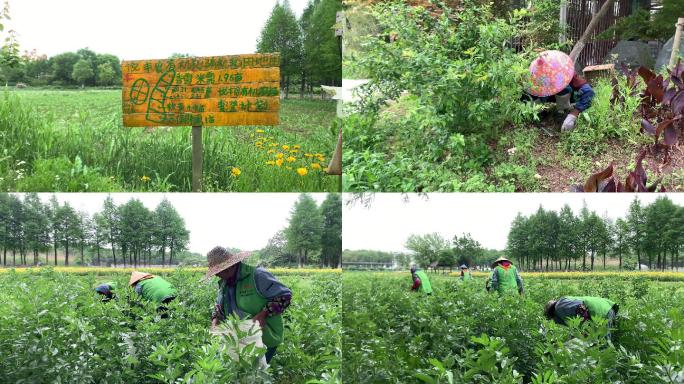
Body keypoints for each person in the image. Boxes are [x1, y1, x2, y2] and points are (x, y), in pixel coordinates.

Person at [206, 246, 292, 364]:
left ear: (228, 267)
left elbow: (285, 296)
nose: (215, 275)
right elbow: (219, 305)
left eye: (217, 272)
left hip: (264, 337)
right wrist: (215, 320)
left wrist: (263, 314)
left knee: (256, 375)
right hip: (239, 337)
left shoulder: (257, 275)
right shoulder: (224, 283)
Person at [525, 50, 595, 132]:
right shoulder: (534, 76)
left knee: (565, 89)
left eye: (552, 78)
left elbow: (589, 92)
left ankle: (562, 111)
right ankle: (538, 114)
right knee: (530, 94)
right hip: (544, 98)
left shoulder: (565, 73)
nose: (550, 81)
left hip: (564, 97)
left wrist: (574, 114)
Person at [544, 296, 618, 339]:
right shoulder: (564, 311)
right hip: (604, 309)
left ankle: (611, 366)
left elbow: (580, 308)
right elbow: (575, 329)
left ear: (551, 313)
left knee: (603, 345)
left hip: (601, 312)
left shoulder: (559, 306)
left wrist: (587, 329)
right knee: (599, 342)